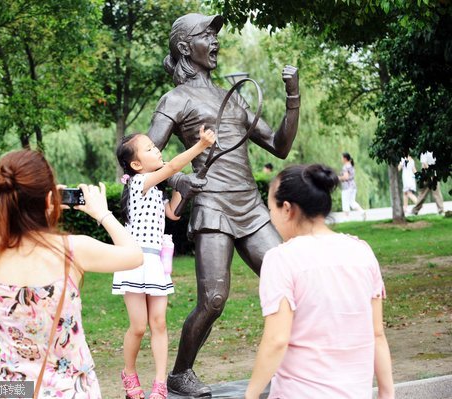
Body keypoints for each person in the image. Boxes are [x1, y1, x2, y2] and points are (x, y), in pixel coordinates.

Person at [147, 13, 300, 396]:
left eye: (215, 36)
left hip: (250, 207)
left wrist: (293, 97)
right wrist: (179, 178)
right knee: (213, 300)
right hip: (212, 207)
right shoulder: (175, 99)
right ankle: (181, 373)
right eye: (206, 36)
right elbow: (142, 158)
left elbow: (279, 146)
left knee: (292, 282)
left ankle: (300, 365)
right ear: (185, 47)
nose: (215, 42)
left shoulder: (231, 97)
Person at [0, 149, 143, 398]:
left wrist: (42, 206)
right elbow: (135, 255)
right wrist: (102, 213)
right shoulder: (72, 250)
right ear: (50, 199)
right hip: (71, 390)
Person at [244, 164, 395, 399]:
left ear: (287, 209)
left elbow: (277, 339)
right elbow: (377, 335)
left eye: (270, 207)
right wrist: (387, 394)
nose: (270, 216)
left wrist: (250, 395)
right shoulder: (362, 252)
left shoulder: (281, 259)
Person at [113, 126, 216, 399]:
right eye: (149, 149)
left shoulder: (156, 192)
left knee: (158, 323)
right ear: (136, 165)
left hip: (155, 265)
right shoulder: (138, 183)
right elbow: (171, 168)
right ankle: (129, 372)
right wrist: (200, 146)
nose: (156, 150)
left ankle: (160, 384)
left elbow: (172, 212)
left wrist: (186, 187)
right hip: (134, 262)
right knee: (138, 326)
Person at [411, 151, 445, 216]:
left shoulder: (433, 151)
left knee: (435, 193)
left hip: (433, 174)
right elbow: (424, 164)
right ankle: (415, 210)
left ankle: (441, 210)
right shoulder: (425, 152)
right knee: (424, 194)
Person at [338, 152, 365, 220]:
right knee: (352, 202)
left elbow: (346, 177)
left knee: (345, 201)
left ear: (345, 158)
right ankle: (362, 211)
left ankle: (346, 217)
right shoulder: (351, 166)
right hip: (353, 186)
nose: (341, 159)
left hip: (347, 187)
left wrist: (339, 178)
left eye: (342, 158)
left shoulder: (345, 167)